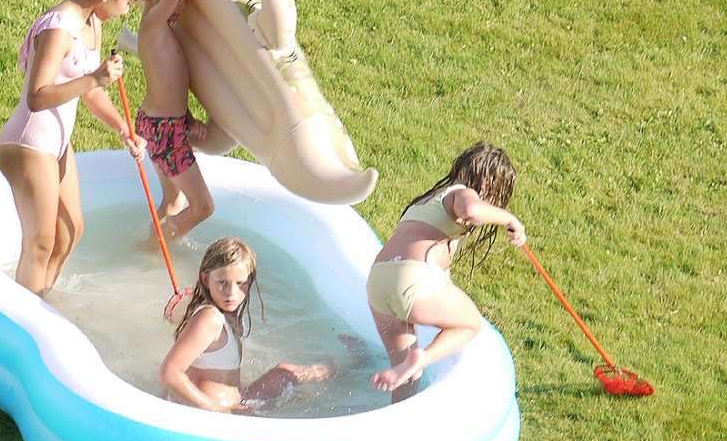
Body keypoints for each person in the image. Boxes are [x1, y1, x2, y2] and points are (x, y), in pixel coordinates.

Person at [0, 0, 148, 296]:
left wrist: (123, 127)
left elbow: (88, 91)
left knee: (70, 230)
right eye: (129, 2)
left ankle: (41, 300)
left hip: (56, 144)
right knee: (41, 242)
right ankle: (24, 315)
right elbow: (37, 96)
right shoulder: (58, 29)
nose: (127, 11)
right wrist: (95, 77)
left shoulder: (92, 22)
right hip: (28, 144)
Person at [367, 141, 526, 401]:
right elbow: (472, 210)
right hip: (410, 279)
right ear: (489, 185)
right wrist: (510, 219)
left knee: (407, 377)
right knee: (470, 322)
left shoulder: (426, 203)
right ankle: (423, 357)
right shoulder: (462, 193)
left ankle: (396, 414)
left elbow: (438, 276)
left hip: (378, 283)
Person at [158, 237, 337, 414]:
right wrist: (215, 409)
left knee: (284, 372)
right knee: (296, 394)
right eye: (222, 283)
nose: (231, 292)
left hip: (235, 402)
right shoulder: (209, 319)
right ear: (205, 279)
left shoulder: (225, 312)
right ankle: (342, 368)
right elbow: (169, 373)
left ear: (250, 281)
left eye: (240, 283)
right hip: (214, 412)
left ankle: (339, 366)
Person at [135, 0, 214, 241]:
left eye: (183, 0)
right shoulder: (153, 23)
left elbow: (169, 83)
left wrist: (187, 119)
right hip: (163, 130)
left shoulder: (163, 31)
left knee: (173, 201)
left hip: (163, 124)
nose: (180, 5)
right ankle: (154, 248)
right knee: (203, 206)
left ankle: (148, 249)